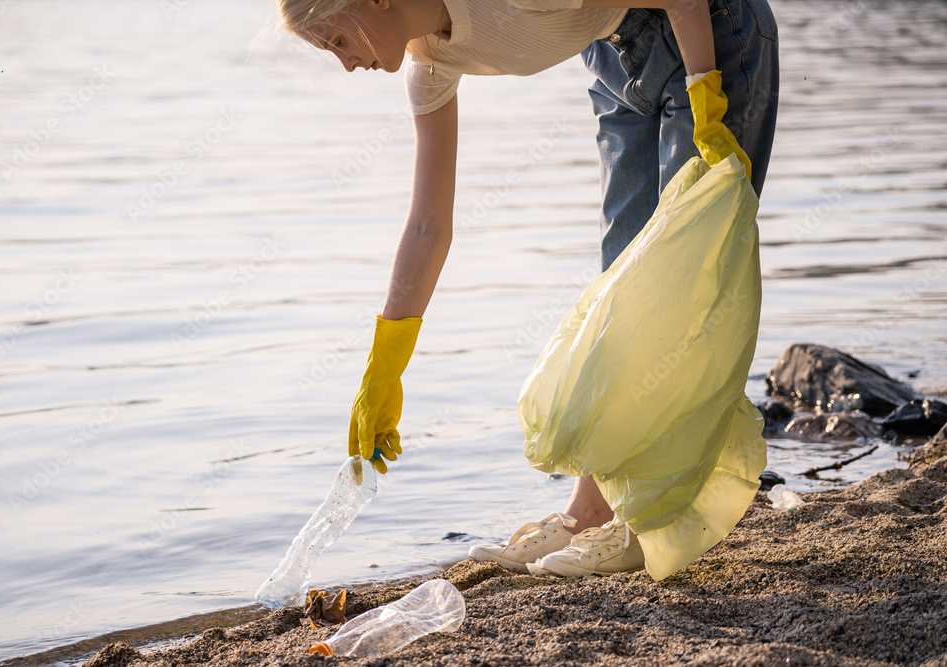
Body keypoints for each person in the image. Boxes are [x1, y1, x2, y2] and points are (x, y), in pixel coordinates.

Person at [277, 0, 779, 578]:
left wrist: (705, 90)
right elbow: (427, 225)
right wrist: (384, 366)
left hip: (708, 33)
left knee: (682, 283)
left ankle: (647, 520)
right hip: (617, 58)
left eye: (338, 41)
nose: (346, 65)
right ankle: (591, 510)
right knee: (620, 290)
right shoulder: (429, 67)